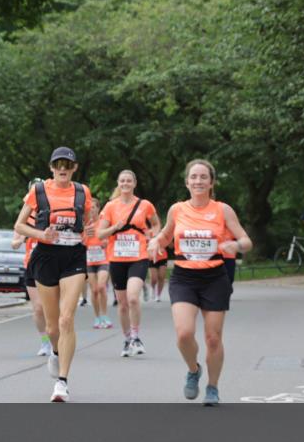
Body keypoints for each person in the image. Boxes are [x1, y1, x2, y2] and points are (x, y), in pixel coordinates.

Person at [148, 159, 252, 406]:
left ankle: (213, 387)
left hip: (215, 277)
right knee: (184, 334)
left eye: (203, 177)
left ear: (211, 182)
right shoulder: (177, 209)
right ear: (186, 182)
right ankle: (194, 369)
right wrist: (155, 243)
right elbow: (165, 235)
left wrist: (236, 245)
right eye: (193, 177)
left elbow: (247, 240)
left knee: (213, 338)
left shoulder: (223, 210)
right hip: (184, 277)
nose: (198, 181)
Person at [13, 147, 92, 402]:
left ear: (74, 168)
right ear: (51, 167)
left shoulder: (82, 192)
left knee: (67, 319)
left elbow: (88, 222)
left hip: (74, 257)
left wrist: (87, 232)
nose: (62, 169)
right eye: (58, 164)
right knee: (52, 324)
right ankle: (56, 353)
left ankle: (62, 382)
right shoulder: (38, 191)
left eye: (67, 165)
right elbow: (19, 225)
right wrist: (40, 234)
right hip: (46, 256)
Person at [97, 170, 160, 357]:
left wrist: (153, 236)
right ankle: (126, 339)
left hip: (138, 256)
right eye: (122, 181)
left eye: (129, 180)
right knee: (123, 304)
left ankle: (135, 336)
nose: (125, 183)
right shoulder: (110, 207)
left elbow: (156, 224)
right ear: (118, 183)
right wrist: (114, 227)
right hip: (117, 258)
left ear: (134, 183)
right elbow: (100, 234)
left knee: (133, 298)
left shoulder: (145, 205)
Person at [12, 179, 50, 356]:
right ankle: (44, 342)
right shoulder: (25, 217)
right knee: (37, 307)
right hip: (31, 264)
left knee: (51, 307)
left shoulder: (51, 213)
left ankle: (56, 336)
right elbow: (14, 241)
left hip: (50, 263)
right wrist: (20, 240)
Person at [84, 198, 112, 329]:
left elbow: (110, 238)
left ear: (98, 209)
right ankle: (97, 317)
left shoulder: (103, 223)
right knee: (94, 290)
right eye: (89, 208)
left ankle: (105, 315)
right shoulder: (85, 225)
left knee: (101, 287)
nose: (91, 210)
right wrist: (85, 236)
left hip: (103, 259)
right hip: (90, 260)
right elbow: (82, 243)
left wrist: (106, 243)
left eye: (93, 207)